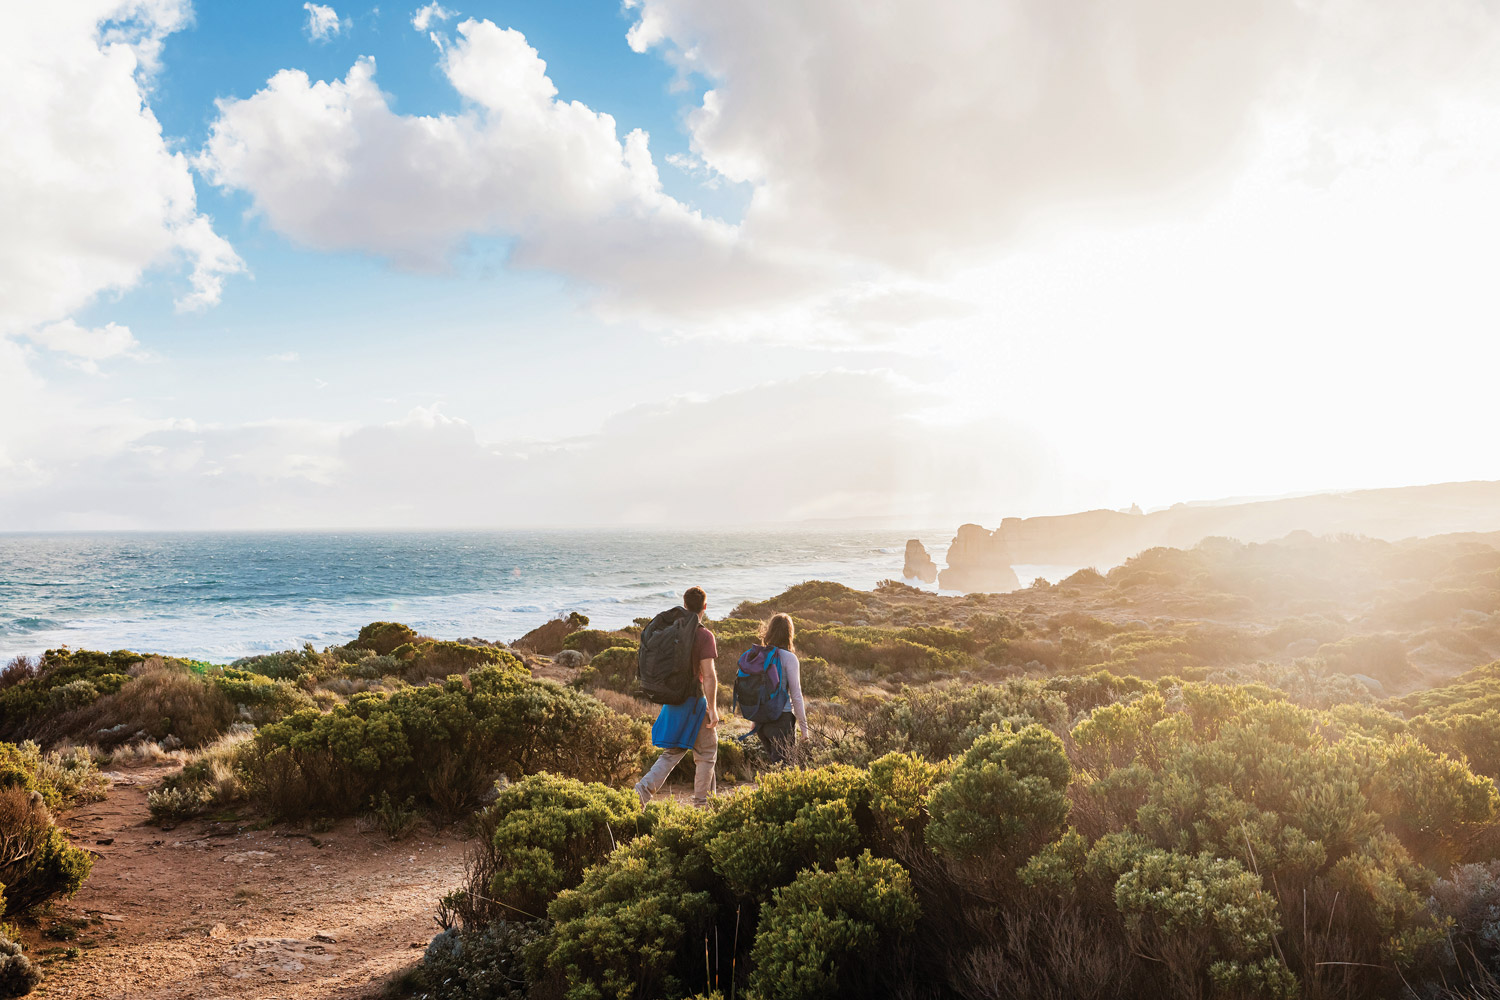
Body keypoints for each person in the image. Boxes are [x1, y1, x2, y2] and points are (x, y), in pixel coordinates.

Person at [635, 586, 719, 808]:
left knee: (673, 752)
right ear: (705, 607)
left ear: (684, 605)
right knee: (707, 752)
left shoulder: (673, 633)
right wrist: (713, 708)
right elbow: (709, 676)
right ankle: (703, 806)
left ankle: (641, 793)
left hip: (674, 700)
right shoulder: (704, 635)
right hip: (694, 702)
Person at [755, 613, 808, 765]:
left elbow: (757, 688)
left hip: (761, 722)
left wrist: (754, 720)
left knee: (774, 766)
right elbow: (796, 695)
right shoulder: (789, 658)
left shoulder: (760, 655)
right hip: (780, 720)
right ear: (789, 633)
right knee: (783, 770)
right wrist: (804, 729)